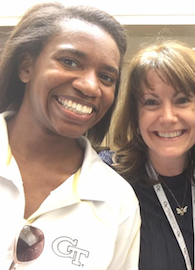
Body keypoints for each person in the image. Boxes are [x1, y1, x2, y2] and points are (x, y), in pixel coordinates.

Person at [0, 3, 140, 269]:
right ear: (26, 66)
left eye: (107, 77)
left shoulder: (117, 200)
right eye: (69, 62)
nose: (90, 86)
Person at [100, 40, 195, 269]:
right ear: (136, 116)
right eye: (151, 102)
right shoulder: (107, 177)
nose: (168, 117)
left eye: (181, 100)